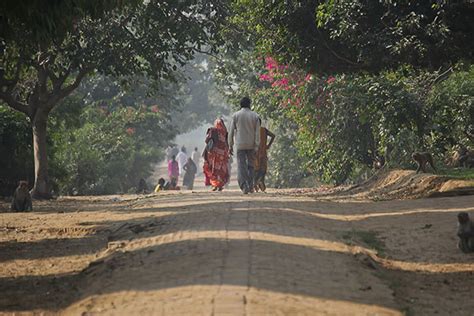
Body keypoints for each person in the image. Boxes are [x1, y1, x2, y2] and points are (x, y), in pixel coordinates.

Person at [228, 97, 260, 194]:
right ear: (250, 104)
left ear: (240, 105)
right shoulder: (255, 116)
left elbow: (231, 132)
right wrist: (257, 145)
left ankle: (244, 186)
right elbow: (257, 133)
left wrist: (230, 145)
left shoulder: (236, 115)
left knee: (241, 166)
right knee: (251, 166)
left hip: (240, 145)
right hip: (251, 144)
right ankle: (250, 186)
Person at [203, 118, 230, 191]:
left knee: (213, 169)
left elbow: (207, 140)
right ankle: (220, 185)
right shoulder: (225, 132)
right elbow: (227, 144)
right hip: (222, 154)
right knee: (221, 170)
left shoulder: (213, 131)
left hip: (214, 154)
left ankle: (215, 185)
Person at [254, 119, 275, 192]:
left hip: (255, 153)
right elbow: (273, 135)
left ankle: (256, 183)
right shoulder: (264, 130)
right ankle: (260, 182)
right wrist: (268, 145)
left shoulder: (253, 131)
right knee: (263, 169)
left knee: (256, 169)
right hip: (263, 152)